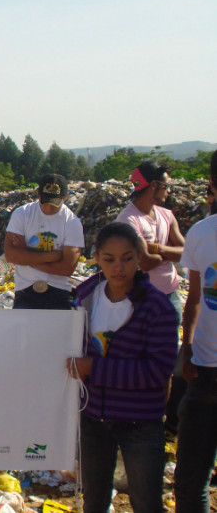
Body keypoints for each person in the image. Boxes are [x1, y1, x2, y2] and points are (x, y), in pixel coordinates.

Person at [67, 222, 177, 513]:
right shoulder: (83, 299)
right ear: (97, 258)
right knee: (94, 501)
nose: (119, 268)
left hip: (139, 422)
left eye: (127, 258)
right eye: (109, 259)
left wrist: (95, 368)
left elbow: (157, 371)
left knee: (145, 501)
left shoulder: (157, 308)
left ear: (139, 257)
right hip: (93, 421)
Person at [116, 160, 186, 433]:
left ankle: (158, 417)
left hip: (170, 298)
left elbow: (187, 252)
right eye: (166, 184)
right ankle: (137, 416)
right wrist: (166, 253)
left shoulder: (166, 215)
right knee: (140, 361)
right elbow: (144, 263)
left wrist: (157, 248)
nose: (168, 190)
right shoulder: (128, 219)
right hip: (142, 301)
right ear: (153, 185)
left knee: (166, 363)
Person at [174, 150, 217, 513]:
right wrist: (187, 347)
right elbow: (195, 299)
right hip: (205, 370)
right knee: (189, 482)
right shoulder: (202, 234)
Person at [4, 174, 84, 309]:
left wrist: (26, 254)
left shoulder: (72, 222)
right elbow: (11, 255)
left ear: (65, 197)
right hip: (25, 290)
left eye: (54, 204)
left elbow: (66, 268)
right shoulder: (22, 214)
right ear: (37, 194)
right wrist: (53, 256)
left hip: (58, 291)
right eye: (45, 202)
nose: (49, 208)